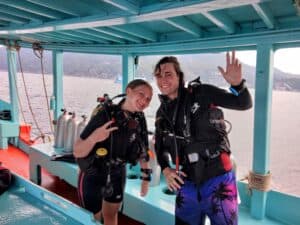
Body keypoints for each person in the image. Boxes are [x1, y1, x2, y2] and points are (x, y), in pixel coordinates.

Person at [153, 51, 252, 225]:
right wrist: (166, 170)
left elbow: (243, 103)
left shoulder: (202, 93)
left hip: (218, 179)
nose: (163, 79)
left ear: (179, 76)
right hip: (186, 183)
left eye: (168, 74)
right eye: (158, 75)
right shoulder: (162, 114)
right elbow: (159, 148)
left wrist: (237, 84)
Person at [73, 79, 153, 225]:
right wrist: (94, 138)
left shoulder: (139, 118)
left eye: (148, 99)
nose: (144, 101)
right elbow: (77, 151)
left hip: (117, 172)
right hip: (93, 173)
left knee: (111, 214)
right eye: (141, 94)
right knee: (92, 218)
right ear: (128, 91)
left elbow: (143, 150)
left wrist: (145, 179)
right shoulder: (105, 115)